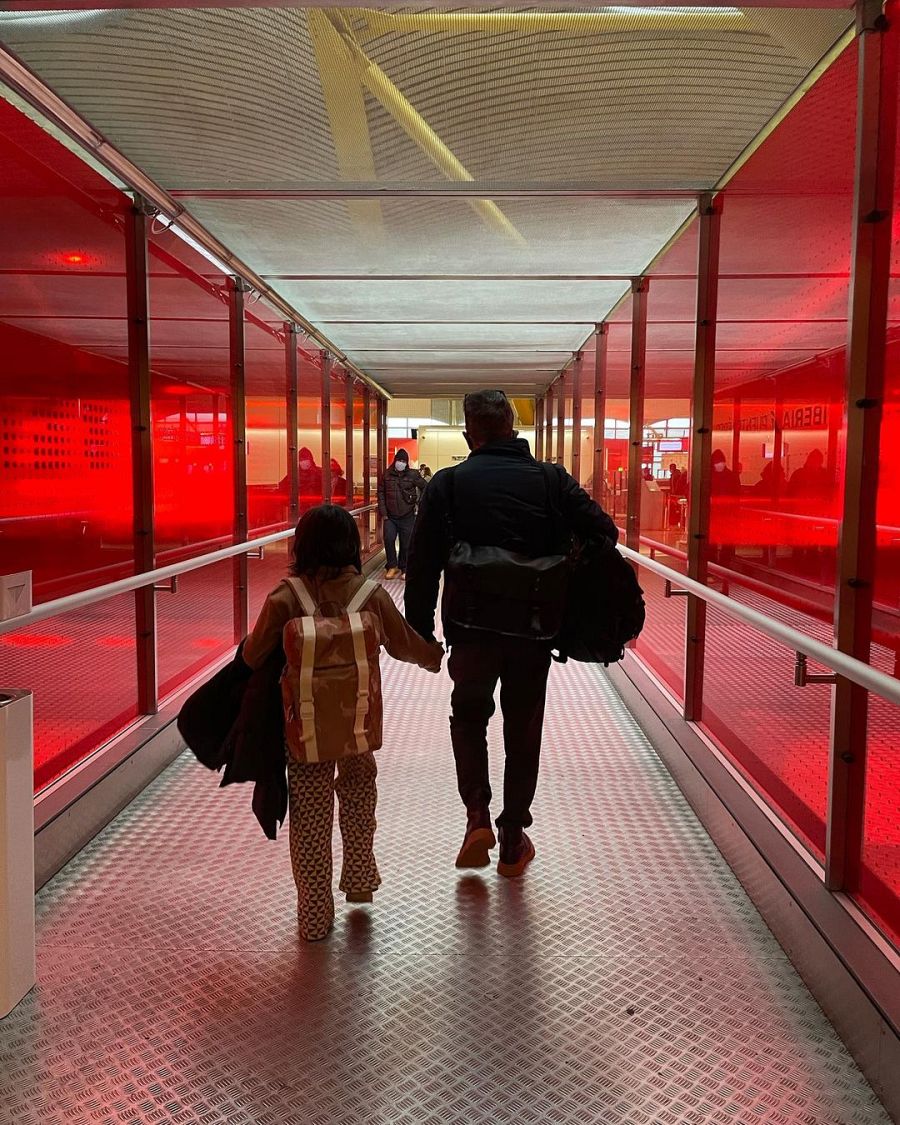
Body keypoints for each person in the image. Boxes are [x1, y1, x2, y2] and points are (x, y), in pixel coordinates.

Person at [404, 390, 618, 878]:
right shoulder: (550, 479)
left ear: (468, 435)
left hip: (470, 629)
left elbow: (421, 565)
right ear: (514, 431)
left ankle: (476, 814)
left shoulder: (448, 485)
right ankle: (513, 835)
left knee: (469, 716)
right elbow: (604, 532)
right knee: (523, 729)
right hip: (533, 630)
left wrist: (421, 632)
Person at [242, 505, 443, 941]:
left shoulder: (286, 597)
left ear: (303, 547)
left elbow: (252, 656)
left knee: (311, 821)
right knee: (357, 798)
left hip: (303, 733)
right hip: (358, 727)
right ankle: (359, 878)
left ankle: (314, 918)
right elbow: (405, 644)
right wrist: (435, 658)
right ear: (350, 545)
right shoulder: (368, 595)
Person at [378, 448, 427, 580]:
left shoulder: (413, 475)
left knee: (407, 543)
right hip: (390, 516)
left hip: (408, 515)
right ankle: (392, 566)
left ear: (407, 462)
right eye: (399, 460)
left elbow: (426, 487)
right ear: (395, 461)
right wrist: (384, 513)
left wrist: (419, 504)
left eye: (403, 461)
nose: (401, 463)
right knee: (388, 539)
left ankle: (405, 567)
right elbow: (381, 494)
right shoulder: (386, 475)